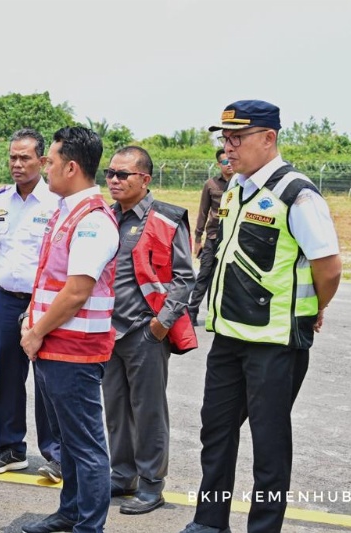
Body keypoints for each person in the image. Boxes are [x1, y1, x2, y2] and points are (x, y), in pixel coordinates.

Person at [180, 100, 342, 533]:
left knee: (269, 448)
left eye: (237, 138)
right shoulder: (236, 188)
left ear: (268, 139)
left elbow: (329, 267)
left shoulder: (297, 194)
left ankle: (263, 528)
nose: (227, 147)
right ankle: (209, 522)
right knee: (215, 435)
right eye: (224, 139)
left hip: (275, 344)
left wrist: (314, 308)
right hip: (229, 338)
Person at [20, 126, 119, 533]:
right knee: (71, 443)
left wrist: (35, 331)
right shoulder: (67, 211)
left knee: (87, 446)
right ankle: (71, 510)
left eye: (51, 161)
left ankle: (88, 525)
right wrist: (31, 317)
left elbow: (77, 290)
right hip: (53, 346)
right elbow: (48, 277)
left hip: (72, 350)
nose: (46, 169)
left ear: (72, 167)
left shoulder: (93, 220)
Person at [101, 146, 197, 515]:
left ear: (145, 179)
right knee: (116, 409)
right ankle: (122, 475)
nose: (113, 180)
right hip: (109, 333)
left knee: (149, 412)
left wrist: (161, 325)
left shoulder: (167, 219)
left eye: (122, 174)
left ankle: (152, 485)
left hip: (145, 332)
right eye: (110, 173)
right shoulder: (106, 217)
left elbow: (184, 277)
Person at [0, 128, 61, 482]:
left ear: (42, 161)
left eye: (25, 157)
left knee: (49, 380)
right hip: (6, 301)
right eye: (13, 157)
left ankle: (56, 453)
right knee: (7, 376)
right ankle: (10, 448)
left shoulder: (57, 203)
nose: (17, 163)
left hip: (45, 303)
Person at [187, 149, 234, 325]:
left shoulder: (242, 183)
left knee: (226, 278)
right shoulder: (211, 184)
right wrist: (198, 239)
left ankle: (218, 315)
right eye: (224, 162)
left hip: (233, 238)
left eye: (230, 160)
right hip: (214, 237)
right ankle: (192, 312)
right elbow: (203, 212)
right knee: (204, 274)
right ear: (218, 165)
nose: (228, 164)